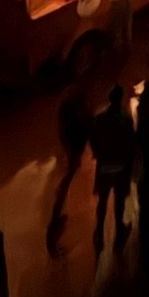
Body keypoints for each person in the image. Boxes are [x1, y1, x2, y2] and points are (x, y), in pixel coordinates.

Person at [90, 84, 136, 254]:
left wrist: (98, 155)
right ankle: (119, 233)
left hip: (104, 166)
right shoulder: (126, 119)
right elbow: (131, 144)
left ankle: (99, 232)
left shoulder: (99, 118)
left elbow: (93, 139)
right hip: (120, 166)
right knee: (119, 201)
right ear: (121, 99)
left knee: (102, 200)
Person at [46, 85, 91, 252]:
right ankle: (54, 224)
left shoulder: (67, 108)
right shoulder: (76, 112)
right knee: (67, 179)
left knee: (68, 176)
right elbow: (85, 125)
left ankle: (56, 219)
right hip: (73, 144)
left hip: (71, 143)